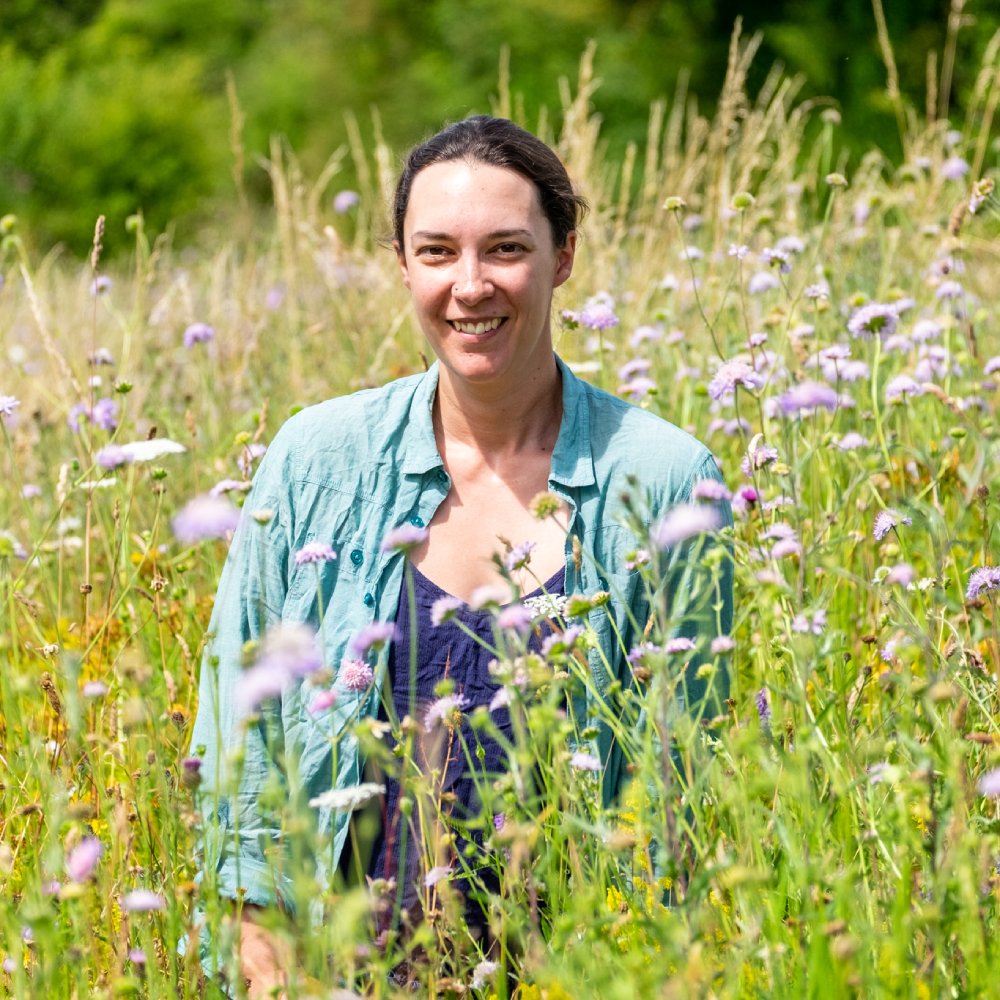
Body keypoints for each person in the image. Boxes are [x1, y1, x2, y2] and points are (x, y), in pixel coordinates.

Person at [189, 114, 733, 998]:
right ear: (403, 266)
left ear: (563, 258)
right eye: (436, 252)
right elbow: (241, 733)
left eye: (506, 249)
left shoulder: (666, 484)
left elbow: (683, 784)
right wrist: (263, 963)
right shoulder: (316, 460)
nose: (469, 286)